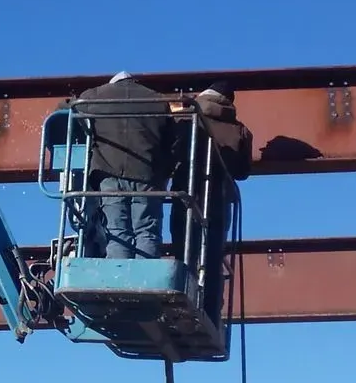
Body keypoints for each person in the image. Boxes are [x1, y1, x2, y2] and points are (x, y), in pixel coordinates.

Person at [171, 82, 253, 321]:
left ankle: (181, 306)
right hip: (219, 199)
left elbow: (170, 151)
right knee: (213, 256)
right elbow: (242, 172)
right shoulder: (239, 129)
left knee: (183, 250)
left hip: (186, 193)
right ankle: (210, 312)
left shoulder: (187, 118)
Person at [75, 72, 174, 259]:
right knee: (147, 232)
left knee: (117, 233)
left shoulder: (94, 96)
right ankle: (147, 284)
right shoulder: (158, 100)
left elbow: (67, 109)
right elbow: (171, 142)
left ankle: (118, 282)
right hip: (147, 174)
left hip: (109, 172)